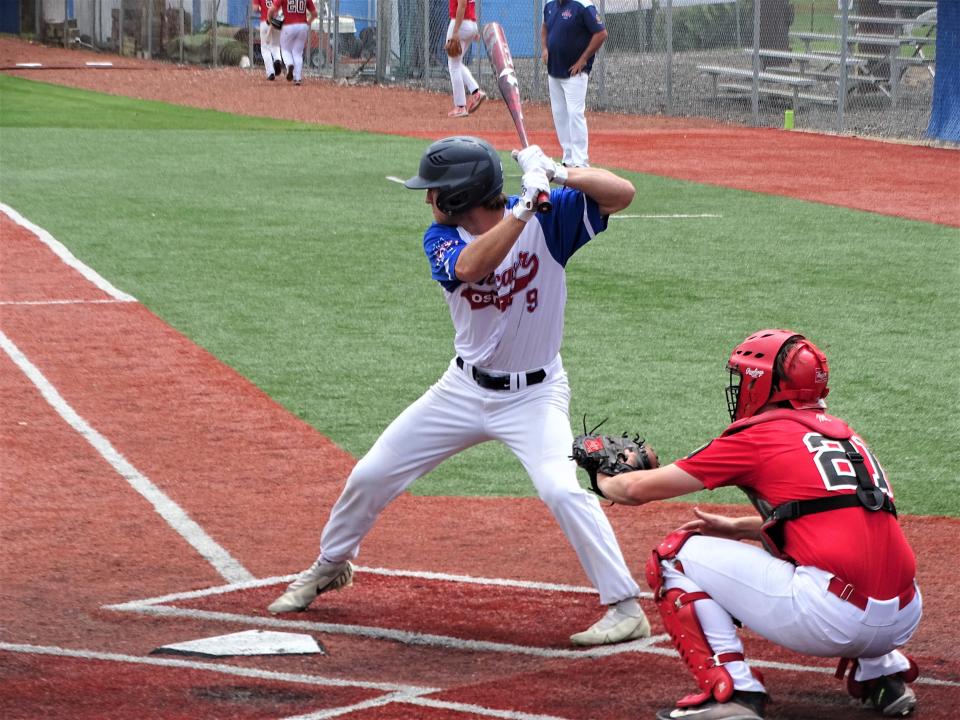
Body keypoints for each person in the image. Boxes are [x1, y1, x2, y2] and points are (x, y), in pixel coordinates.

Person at [268, 136, 652, 647]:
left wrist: (558, 173)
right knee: (372, 473)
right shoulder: (443, 238)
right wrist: (522, 208)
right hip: (463, 390)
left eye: (433, 192)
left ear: (455, 196)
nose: (427, 201)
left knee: (561, 489)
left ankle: (625, 608)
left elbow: (622, 193)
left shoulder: (548, 219)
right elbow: (473, 267)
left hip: (535, 397)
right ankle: (331, 564)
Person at [593, 329, 922, 720]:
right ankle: (883, 676)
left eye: (743, 377)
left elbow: (634, 490)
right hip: (903, 614)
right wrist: (738, 528)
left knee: (674, 556)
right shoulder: (846, 436)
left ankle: (734, 693)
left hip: (835, 618)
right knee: (857, 558)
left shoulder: (758, 436)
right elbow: (831, 519)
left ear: (762, 383)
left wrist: (601, 472)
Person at [541, 0, 608, 168]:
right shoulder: (550, 5)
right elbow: (545, 27)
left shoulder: (583, 5)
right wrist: (544, 48)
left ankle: (580, 161)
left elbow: (601, 33)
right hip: (554, 70)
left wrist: (583, 60)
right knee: (560, 115)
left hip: (574, 73)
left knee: (575, 114)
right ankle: (568, 159)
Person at [443, 0, 487, 118]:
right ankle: (476, 92)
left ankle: (460, 106)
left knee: (453, 66)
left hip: (460, 23)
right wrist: (474, 30)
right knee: (457, 63)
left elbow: (462, 5)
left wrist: (456, 31)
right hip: (470, 23)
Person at [269, 0, 318, 86]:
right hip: (302, 26)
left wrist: (269, 19)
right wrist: (307, 23)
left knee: (285, 49)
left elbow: (271, 10)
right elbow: (314, 14)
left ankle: (289, 65)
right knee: (298, 53)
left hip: (288, 26)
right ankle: (297, 78)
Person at [253, 0, 283, 80]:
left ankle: (271, 73)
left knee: (265, 48)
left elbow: (255, 9)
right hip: (277, 22)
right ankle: (277, 60)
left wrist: (262, 10)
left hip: (265, 22)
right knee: (275, 45)